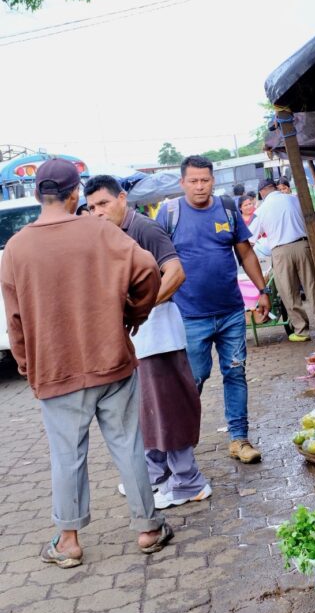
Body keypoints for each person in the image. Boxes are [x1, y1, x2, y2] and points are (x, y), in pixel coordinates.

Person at [0, 159, 172, 566]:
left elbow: (15, 320)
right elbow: (149, 269)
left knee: (66, 455)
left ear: (38, 195)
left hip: (55, 369)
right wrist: (134, 313)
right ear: (76, 193)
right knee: (128, 445)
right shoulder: (100, 230)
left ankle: (69, 542)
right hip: (110, 359)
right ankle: (148, 529)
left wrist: (27, 366)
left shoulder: (16, 249)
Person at [84, 175, 211, 509]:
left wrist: (140, 307)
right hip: (139, 341)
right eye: (92, 206)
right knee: (147, 412)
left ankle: (189, 481)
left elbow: (175, 273)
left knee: (169, 410)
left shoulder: (145, 229)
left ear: (122, 198)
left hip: (160, 338)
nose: (98, 211)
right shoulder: (108, 234)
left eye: (104, 203)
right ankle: (156, 474)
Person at [156, 156, 270, 464]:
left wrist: (262, 291)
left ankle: (239, 439)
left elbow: (245, 252)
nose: (199, 186)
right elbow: (155, 262)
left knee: (235, 373)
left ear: (212, 181)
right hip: (190, 315)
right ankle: (180, 443)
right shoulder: (169, 213)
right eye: (193, 180)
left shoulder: (227, 209)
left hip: (232, 311)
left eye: (205, 180)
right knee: (194, 379)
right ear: (182, 183)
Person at [250, 177, 315, 342]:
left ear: (262, 192)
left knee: (288, 291)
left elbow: (250, 238)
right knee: (313, 286)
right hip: (303, 246)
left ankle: (301, 330)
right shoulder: (294, 200)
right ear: (275, 187)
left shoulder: (261, 210)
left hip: (280, 252)